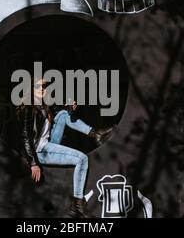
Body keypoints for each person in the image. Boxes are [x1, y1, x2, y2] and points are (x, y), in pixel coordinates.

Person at [17, 78, 113, 218]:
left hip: (48, 143)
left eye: (45, 85)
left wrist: (70, 109)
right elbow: (25, 136)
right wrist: (33, 163)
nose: (43, 88)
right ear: (31, 90)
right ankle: (77, 203)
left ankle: (95, 133)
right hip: (38, 150)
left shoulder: (45, 105)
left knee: (63, 115)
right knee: (82, 159)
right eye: (39, 86)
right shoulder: (28, 106)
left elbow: (62, 113)